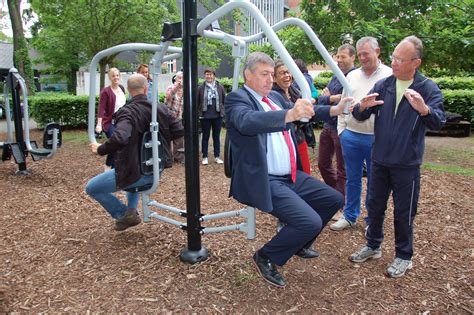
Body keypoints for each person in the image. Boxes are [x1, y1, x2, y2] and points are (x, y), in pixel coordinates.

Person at [225, 52, 350, 287]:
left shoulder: (274, 96)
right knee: (309, 221)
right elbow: (247, 122)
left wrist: (335, 109)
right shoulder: (237, 99)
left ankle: (299, 243)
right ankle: (266, 256)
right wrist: (290, 114)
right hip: (264, 178)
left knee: (333, 199)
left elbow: (304, 111)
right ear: (248, 74)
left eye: (272, 74)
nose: (270, 79)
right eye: (264, 74)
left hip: (290, 175)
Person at [349, 36, 446, 278]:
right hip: (379, 160)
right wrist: (362, 107)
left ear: (416, 63)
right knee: (374, 206)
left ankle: (404, 256)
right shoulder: (384, 85)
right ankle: (373, 246)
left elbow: (438, 121)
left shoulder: (427, 89)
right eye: (393, 58)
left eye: (401, 60)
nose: (394, 63)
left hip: (406, 164)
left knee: (404, 212)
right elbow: (360, 115)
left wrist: (424, 110)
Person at [86, 74, 184, 231]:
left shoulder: (128, 112)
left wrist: (100, 149)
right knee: (131, 169)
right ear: (146, 89)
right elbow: (179, 130)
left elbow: (120, 137)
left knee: (91, 188)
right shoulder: (159, 108)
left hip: (136, 174)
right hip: (156, 170)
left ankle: (122, 213)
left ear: (129, 91)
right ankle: (131, 211)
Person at [331, 37, 392, 231]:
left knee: (376, 182)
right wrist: (342, 131)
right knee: (352, 178)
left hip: (377, 139)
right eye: (360, 54)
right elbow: (344, 103)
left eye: (366, 53)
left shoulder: (390, 75)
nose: (363, 58)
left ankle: (372, 221)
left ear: (378, 52)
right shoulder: (352, 76)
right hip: (351, 135)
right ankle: (350, 215)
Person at [317, 44, 356, 209]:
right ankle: (337, 195)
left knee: (342, 169)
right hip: (328, 125)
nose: (338, 60)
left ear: (353, 57)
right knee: (323, 163)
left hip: (343, 127)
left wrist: (330, 97)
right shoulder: (335, 77)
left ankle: (341, 204)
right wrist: (333, 98)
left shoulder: (354, 76)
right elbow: (321, 99)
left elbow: (348, 99)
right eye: (337, 57)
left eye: (343, 57)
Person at [272, 59, 311, 174]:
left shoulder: (296, 92)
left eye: (288, 72)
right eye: (282, 73)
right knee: (289, 174)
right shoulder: (273, 96)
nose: (287, 75)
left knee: (305, 173)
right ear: (274, 78)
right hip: (284, 143)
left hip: (299, 139)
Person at [95, 67, 126, 170]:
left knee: (121, 144)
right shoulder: (106, 91)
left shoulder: (121, 88)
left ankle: (115, 167)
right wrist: (99, 124)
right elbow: (101, 108)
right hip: (110, 123)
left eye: (117, 75)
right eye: (113, 76)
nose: (116, 77)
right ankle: (108, 166)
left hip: (121, 122)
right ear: (109, 77)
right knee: (115, 143)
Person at [197, 67, 226, 165]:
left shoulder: (220, 87)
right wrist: (199, 113)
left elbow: (223, 100)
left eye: (210, 74)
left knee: (216, 136)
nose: (208, 76)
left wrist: (223, 112)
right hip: (205, 116)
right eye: (207, 74)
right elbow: (197, 102)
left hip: (217, 115)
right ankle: (205, 156)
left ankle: (217, 156)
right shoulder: (200, 88)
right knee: (205, 136)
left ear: (214, 76)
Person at [165, 71, 185, 164]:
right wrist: (176, 87)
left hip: (178, 117)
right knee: (167, 137)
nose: (181, 80)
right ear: (175, 79)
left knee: (179, 136)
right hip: (168, 116)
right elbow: (168, 97)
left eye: (182, 78)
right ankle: (168, 157)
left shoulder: (185, 89)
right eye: (179, 78)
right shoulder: (171, 87)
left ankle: (178, 157)